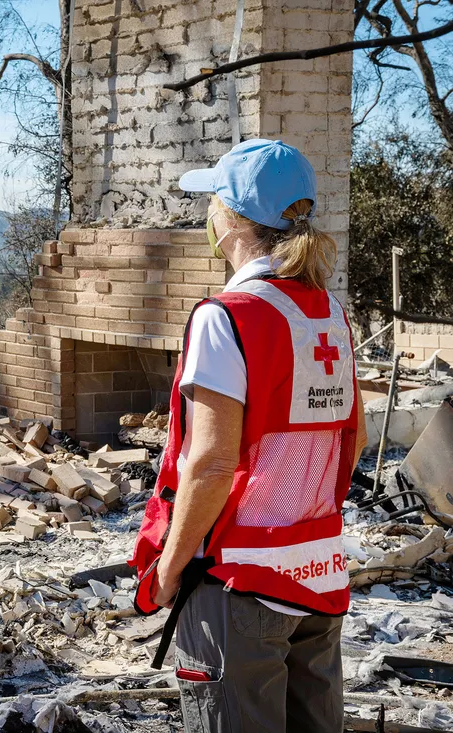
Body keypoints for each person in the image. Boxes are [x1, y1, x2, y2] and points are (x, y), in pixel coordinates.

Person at [130, 139, 368, 733]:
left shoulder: (226, 315)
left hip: (239, 581)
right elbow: (353, 437)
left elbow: (210, 466)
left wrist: (167, 569)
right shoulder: (327, 312)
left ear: (232, 221)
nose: (208, 213)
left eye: (213, 200)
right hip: (318, 571)